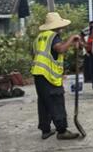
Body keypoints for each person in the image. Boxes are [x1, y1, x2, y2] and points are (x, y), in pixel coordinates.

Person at [31, 12, 82, 140]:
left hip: (38, 74)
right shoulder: (53, 36)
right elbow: (60, 49)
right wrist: (71, 39)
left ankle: (45, 130)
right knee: (56, 101)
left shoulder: (39, 38)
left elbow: (35, 54)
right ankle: (62, 130)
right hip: (48, 75)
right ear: (57, 26)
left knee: (44, 102)